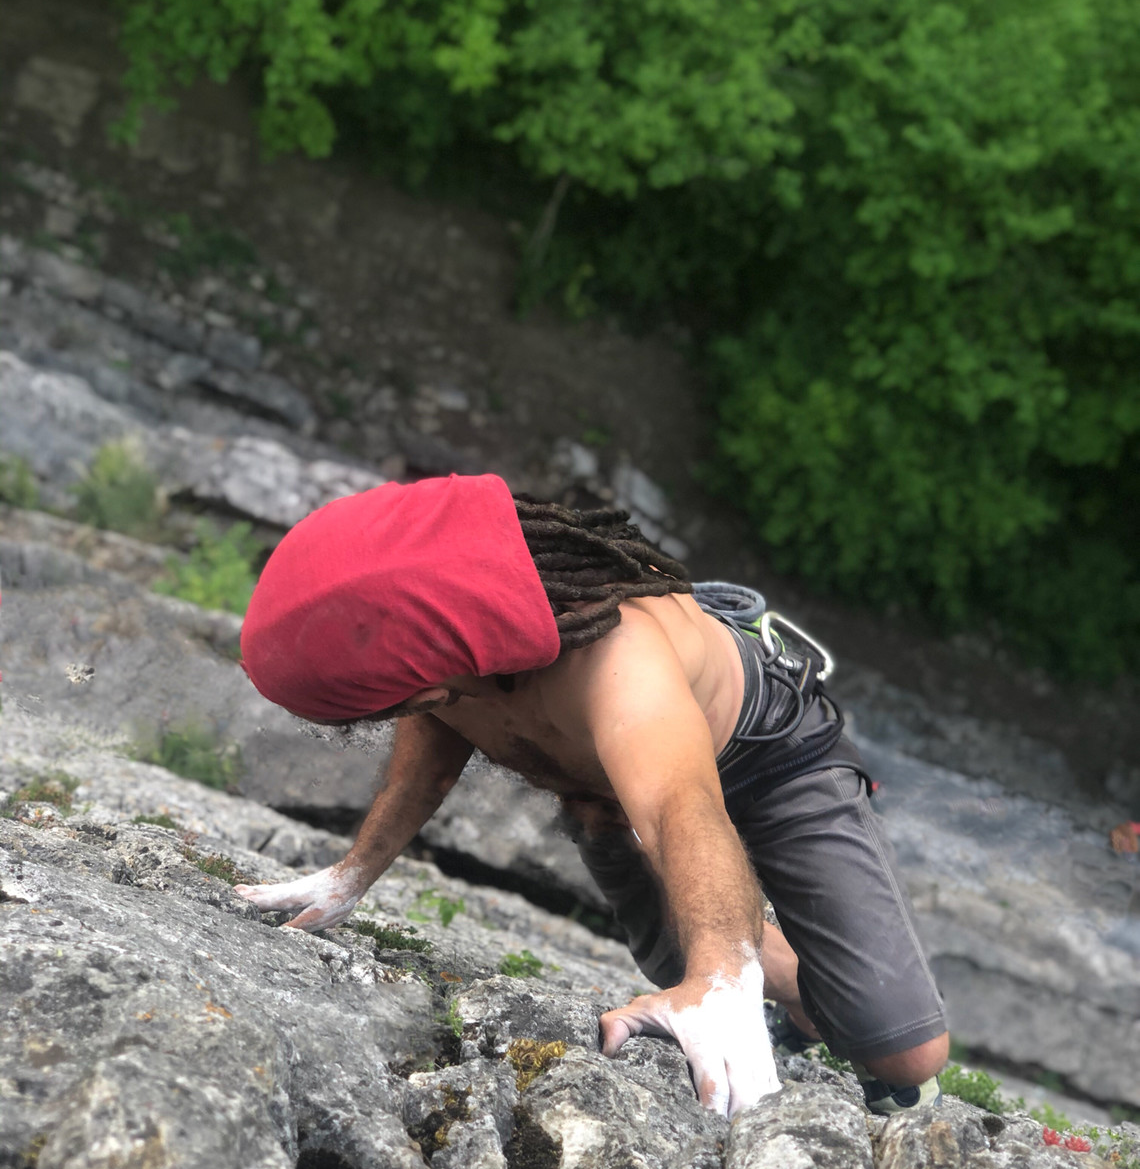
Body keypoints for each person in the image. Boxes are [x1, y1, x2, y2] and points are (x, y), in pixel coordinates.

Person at [235, 472, 949, 1118]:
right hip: (610, 790)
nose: (402, 714)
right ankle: (795, 990)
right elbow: (427, 759)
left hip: (768, 753)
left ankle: (767, 973)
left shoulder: (616, 663)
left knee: (905, 1056)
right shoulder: (447, 657)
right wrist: (351, 874)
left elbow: (678, 809)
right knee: (678, 963)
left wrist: (722, 982)